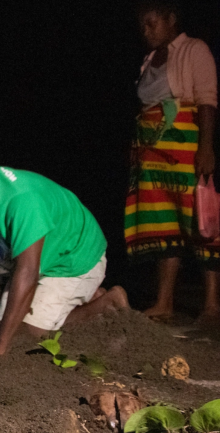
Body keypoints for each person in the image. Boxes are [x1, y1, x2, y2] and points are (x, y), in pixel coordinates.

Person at [0, 132, 129, 360]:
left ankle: (105, 304)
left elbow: (28, 272)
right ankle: (78, 303)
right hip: (32, 259)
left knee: (19, 339)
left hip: (73, 258)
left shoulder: (21, 199)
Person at [125, 1, 218, 323]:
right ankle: (164, 302)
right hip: (153, 154)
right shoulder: (150, 59)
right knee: (163, 224)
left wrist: (206, 149)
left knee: (201, 221)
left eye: (152, 23)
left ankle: (211, 304)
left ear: (171, 19)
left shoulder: (194, 49)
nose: (146, 30)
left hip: (185, 149)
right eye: (143, 25)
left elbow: (207, 101)